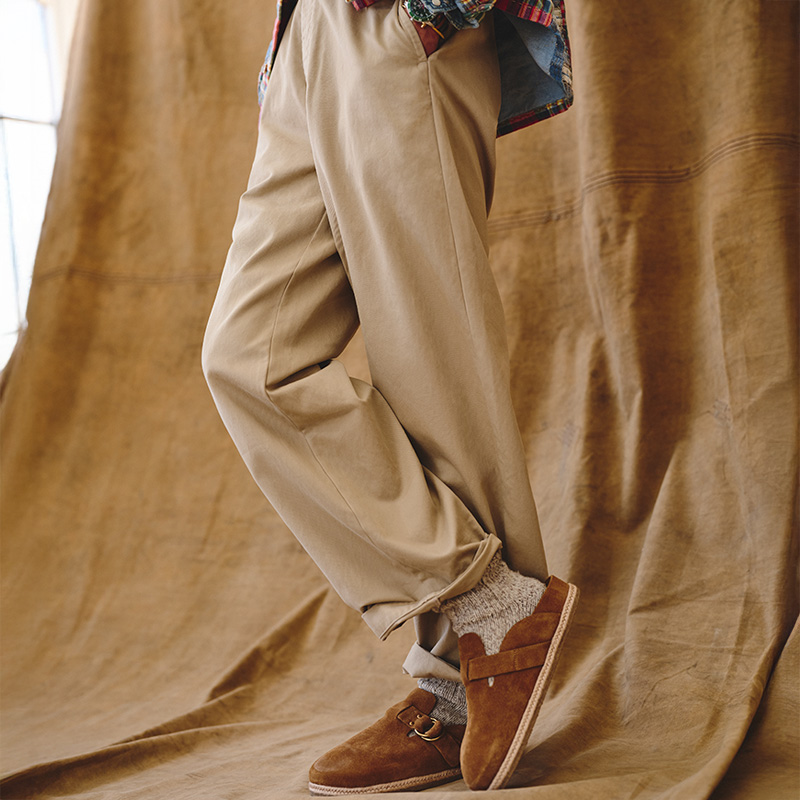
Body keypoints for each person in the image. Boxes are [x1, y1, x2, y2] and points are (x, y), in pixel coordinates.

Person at [202, 0, 578, 792]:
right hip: (307, 35)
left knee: (431, 354)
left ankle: (463, 670)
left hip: (404, 18)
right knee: (251, 357)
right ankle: (488, 607)